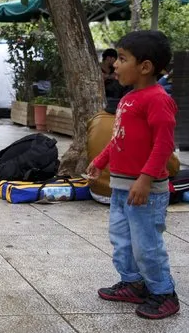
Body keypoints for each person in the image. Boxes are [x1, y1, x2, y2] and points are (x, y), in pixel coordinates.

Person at [87, 30, 179, 320]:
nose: (115, 64)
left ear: (145, 67)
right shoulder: (129, 98)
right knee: (122, 239)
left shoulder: (157, 99)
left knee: (146, 244)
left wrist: (146, 178)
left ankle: (164, 293)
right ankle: (133, 283)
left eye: (122, 59)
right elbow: (119, 138)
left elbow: (164, 144)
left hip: (146, 192)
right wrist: (101, 161)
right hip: (120, 188)